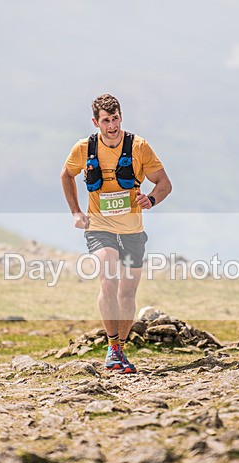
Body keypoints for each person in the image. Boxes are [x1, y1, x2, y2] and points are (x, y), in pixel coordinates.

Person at [60, 94, 172, 374]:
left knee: (127, 293)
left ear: (121, 117)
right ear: (96, 121)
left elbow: (164, 183)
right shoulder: (84, 148)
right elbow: (66, 175)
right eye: (106, 120)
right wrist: (76, 212)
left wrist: (152, 199)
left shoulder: (139, 147)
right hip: (99, 227)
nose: (112, 125)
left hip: (133, 231)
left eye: (116, 119)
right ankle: (112, 348)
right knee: (109, 282)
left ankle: (120, 348)